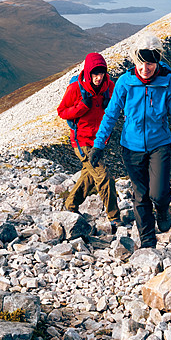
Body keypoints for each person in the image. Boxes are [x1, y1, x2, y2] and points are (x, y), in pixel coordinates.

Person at [88, 34, 171, 248]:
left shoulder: (168, 82)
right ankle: (148, 243)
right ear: (134, 59)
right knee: (140, 195)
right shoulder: (125, 83)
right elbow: (111, 114)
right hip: (131, 147)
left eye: (151, 63)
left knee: (159, 192)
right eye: (141, 62)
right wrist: (99, 145)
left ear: (158, 60)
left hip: (160, 145)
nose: (146, 68)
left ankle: (163, 208)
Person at [57, 52, 120, 230]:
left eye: (101, 74)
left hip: (99, 140)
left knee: (90, 176)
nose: (98, 78)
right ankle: (114, 218)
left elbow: (114, 109)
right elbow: (62, 111)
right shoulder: (76, 88)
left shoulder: (109, 87)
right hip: (81, 140)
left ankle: (70, 205)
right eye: (95, 74)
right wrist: (82, 106)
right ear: (88, 72)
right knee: (104, 177)